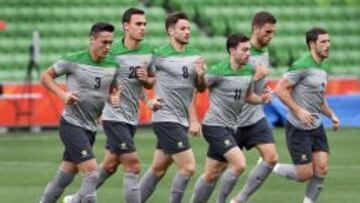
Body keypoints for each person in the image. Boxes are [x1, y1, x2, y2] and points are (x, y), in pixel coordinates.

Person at [62, 8, 157, 203]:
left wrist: (146, 80)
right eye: (138, 24)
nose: (143, 28)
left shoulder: (148, 53)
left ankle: (76, 200)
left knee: (109, 166)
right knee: (133, 165)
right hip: (113, 116)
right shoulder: (110, 52)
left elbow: (150, 82)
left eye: (145, 24)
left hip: (131, 117)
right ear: (126, 26)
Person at [39, 22, 119, 203]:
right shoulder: (74, 60)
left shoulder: (113, 64)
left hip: (90, 128)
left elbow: (114, 87)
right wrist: (62, 94)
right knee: (92, 174)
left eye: (110, 43)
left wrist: (114, 96)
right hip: (71, 124)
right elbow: (46, 76)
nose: (107, 47)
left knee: (64, 177)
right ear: (92, 39)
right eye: (103, 42)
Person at [190, 33, 271, 203]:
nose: (249, 53)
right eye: (244, 49)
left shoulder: (248, 70)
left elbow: (248, 96)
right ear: (232, 50)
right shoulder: (218, 71)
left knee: (211, 174)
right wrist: (194, 120)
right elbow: (198, 89)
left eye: (249, 49)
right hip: (214, 126)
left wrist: (261, 99)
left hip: (230, 128)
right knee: (239, 164)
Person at [138, 12, 206, 203]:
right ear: (170, 31)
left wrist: (200, 75)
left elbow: (199, 89)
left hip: (181, 120)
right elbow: (144, 81)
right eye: (182, 29)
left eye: (189, 29)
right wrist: (149, 96)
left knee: (158, 169)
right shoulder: (157, 55)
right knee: (188, 167)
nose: (187, 32)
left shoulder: (195, 56)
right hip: (165, 118)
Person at [273, 27, 340, 203]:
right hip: (298, 128)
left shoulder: (323, 68)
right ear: (312, 44)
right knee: (305, 174)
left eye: (329, 41)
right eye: (323, 42)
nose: (328, 45)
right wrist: (298, 110)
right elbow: (279, 90)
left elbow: (319, 100)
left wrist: (331, 115)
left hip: (316, 127)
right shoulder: (301, 65)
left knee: (322, 169)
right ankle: (271, 165)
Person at [230, 11, 278, 203]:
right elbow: (231, 87)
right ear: (255, 29)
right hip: (234, 120)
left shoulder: (264, 52)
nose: (271, 36)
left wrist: (264, 89)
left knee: (271, 158)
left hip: (255, 118)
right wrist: (254, 79)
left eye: (273, 32)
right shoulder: (242, 52)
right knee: (216, 170)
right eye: (267, 32)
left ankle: (239, 200)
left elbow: (258, 84)